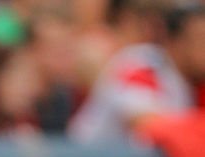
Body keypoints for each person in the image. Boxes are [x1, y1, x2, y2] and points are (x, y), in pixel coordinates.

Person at [70, 2, 205, 141]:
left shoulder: (192, 81)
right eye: (201, 40)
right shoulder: (140, 64)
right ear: (174, 42)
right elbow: (147, 124)